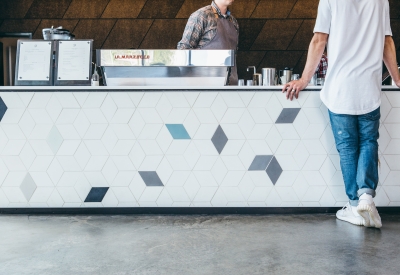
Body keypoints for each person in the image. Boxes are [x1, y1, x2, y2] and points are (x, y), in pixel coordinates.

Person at [282, 0, 400, 228]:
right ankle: (367, 196)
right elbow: (387, 41)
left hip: (340, 89)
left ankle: (355, 206)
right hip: (369, 89)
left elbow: (319, 40)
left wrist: (304, 80)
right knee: (368, 141)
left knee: (347, 147)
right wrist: (397, 78)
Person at [177, 0, 239, 85]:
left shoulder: (233, 21)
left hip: (231, 85)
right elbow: (183, 50)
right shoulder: (202, 15)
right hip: (204, 86)